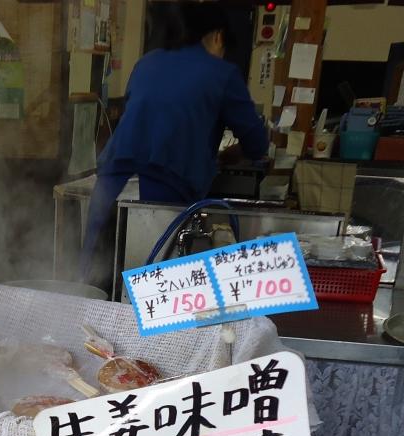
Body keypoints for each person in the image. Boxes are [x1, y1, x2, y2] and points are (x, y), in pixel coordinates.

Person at [79, 2, 269, 282]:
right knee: (153, 283)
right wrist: (230, 155)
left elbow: (140, 113)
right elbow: (257, 143)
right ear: (218, 37)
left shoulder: (147, 62)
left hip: (112, 180)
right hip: (166, 184)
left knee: (94, 277)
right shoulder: (222, 73)